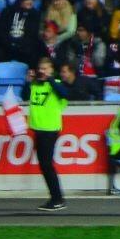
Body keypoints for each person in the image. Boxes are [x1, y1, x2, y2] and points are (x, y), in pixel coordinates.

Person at [26, 57, 70, 212]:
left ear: (51, 70)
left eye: (45, 69)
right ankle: (56, 197)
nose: (42, 71)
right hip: (39, 129)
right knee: (45, 165)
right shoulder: (35, 85)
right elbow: (27, 96)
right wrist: (28, 81)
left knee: (47, 165)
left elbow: (65, 94)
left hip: (50, 129)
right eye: (41, 68)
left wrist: (50, 79)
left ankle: (57, 198)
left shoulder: (56, 84)